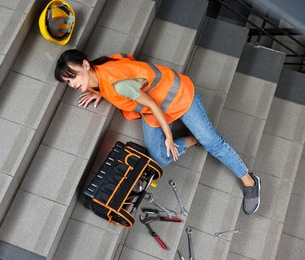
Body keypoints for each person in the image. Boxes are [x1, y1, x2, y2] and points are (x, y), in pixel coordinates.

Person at [54, 49, 261, 215]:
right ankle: (192, 139)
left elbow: (152, 105)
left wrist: (170, 138)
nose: (73, 84)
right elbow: (126, 58)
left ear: (86, 65)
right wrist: (99, 93)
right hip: (154, 106)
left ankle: (249, 181)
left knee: (212, 141)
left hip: (177, 95)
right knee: (160, 158)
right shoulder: (101, 70)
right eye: (68, 82)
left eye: (73, 77)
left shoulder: (116, 85)